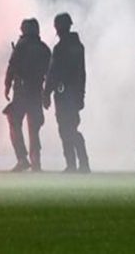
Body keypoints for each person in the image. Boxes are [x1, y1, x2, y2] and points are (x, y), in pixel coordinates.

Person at [43, 13, 90, 173]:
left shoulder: (60, 48)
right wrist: (81, 95)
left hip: (63, 95)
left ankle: (73, 164)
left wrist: (46, 94)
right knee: (71, 128)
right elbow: (82, 74)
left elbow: (52, 73)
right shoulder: (79, 47)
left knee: (65, 129)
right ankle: (82, 163)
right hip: (74, 94)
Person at [4, 18, 51, 172]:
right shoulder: (44, 49)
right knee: (34, 128)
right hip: (36, 92)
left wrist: (7, 85)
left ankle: (22, 159)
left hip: (22, 93)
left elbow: (12, 66)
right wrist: (46, 94)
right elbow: (49, 73)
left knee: (14, 121)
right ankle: (36, 162)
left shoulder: (21, 46)